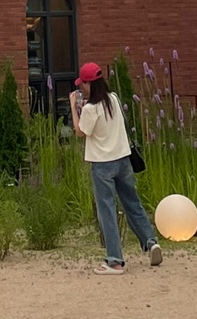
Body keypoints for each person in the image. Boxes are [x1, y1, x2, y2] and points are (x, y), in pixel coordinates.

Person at [69, 61, 163, 274]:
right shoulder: (113, 99)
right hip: (123, 159)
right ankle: (151, 242)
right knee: (133, 203)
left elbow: (80, 131)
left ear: (88, 84)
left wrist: (74, 107)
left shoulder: (90, 109)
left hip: (102, 164)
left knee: (107, 211)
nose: (81, 87)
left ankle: (115, 260)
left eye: (83, 84)